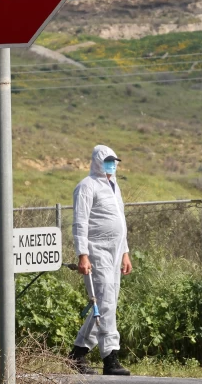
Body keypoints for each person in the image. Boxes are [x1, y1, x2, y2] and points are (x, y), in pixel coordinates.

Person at [68, 145, 132, 376]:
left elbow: (120, 221)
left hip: (115, 253)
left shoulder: (115, 187)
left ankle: (77, 354)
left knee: (107, 304)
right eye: (107, 161)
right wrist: (82, 255)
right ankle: (110, 357)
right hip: (96, 251)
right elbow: (80, 223)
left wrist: (124, 252)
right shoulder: (86, 186)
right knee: (104, 302)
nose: (111, 165)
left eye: (114, 161)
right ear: (96, 161)